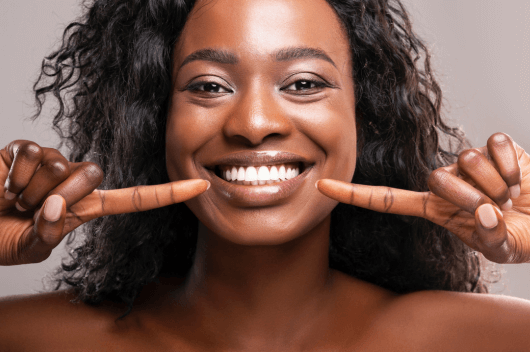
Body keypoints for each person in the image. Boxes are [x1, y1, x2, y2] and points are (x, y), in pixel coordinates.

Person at [1, 0, 529, 350]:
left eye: (302, 83)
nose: (254, 125)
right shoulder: (31, 338)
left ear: (363, 117)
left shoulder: (491, 337)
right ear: (157, 120)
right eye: (208, 86)